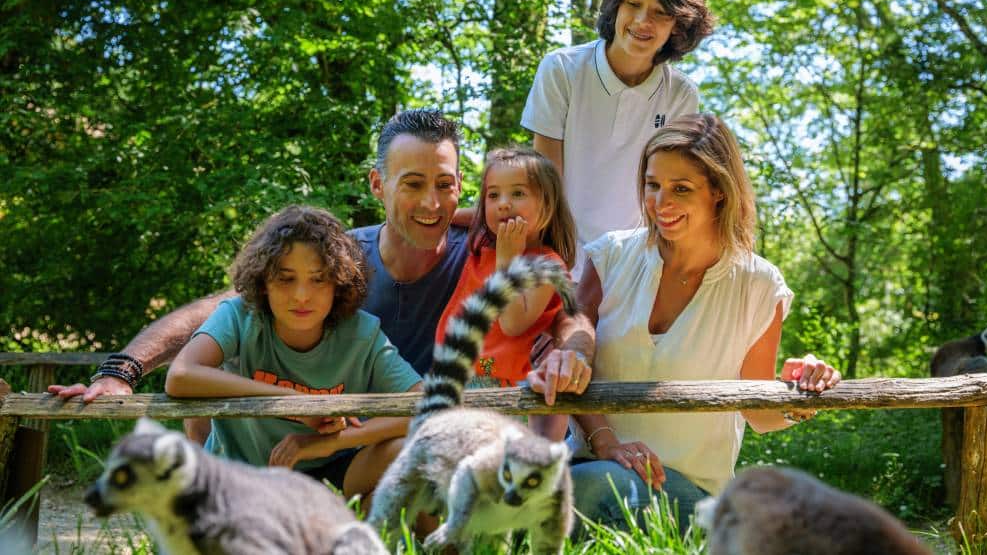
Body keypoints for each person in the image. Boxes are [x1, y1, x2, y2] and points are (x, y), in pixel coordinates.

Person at [49, 111, 594, 418]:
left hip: (403, 441)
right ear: (377, 184)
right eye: (413, 184)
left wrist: (569, 350)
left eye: (445, 185)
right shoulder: (337, 258)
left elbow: (565, 310)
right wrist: (123, 370)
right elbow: (222, 309)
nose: (432, 203)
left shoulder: (480, 256)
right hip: (316, 432)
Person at [568, 114, 841, 532]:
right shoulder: (609, 258)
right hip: (591, 463)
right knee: (559, 489)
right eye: (652, 185)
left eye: (681, 189)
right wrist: (607, 443)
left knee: (586, 493)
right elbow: (573, 355)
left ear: (718, 191)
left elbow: (758, 413)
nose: (661, 203)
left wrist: (800, 394)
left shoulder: (758, 285)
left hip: (690, 491)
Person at [164, 205, 421, 501]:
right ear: (263, 282)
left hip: (328, 477)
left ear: (338, 283)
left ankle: (342, 522)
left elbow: (426, 406)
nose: (301, 295)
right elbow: (181, 376)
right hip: (241, 479)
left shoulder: (361, 332)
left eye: (318, 278)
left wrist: (325, 443)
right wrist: (294, 403)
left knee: (406, 448)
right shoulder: (239, 315)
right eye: (286, 278)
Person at [521, 0, 715, 279]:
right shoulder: (562, 70)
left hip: (632, 267)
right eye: (634, 3)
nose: (643, 21)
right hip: (558, 255)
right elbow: (545, 184)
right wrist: (556, 261)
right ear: (616, 6)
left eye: (660, 12)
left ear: (680, 24)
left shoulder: (681, 95)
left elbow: (668, 194)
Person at [434, 146, 576, 440]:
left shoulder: (546, 264)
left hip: (506, 390)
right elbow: (468, 216)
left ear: (547, 205)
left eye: (518, 194)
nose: (503, 204)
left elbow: (513, 324)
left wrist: (508, 261)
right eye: (493, 195)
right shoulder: (484, 241)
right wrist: (441, 215)